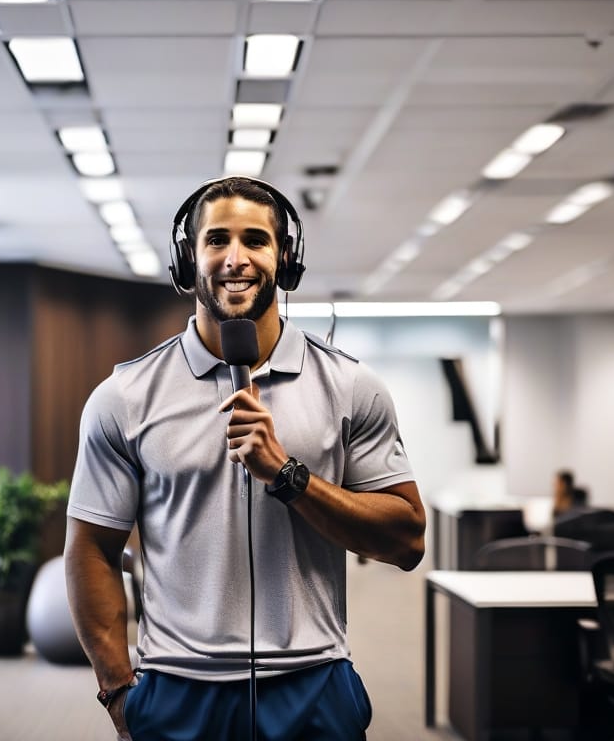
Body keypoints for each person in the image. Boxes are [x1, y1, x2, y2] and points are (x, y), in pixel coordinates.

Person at [64, 176, 426, 741]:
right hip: (179, 687)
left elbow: (406, 541)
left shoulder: (352, 387)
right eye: (217, 241)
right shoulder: (124, 397)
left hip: (312, 682)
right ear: (189, 260)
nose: (236, 259)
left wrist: (289, 476)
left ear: (285, 259)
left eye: (256, 241)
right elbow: (91, 548)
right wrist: (117, 692)